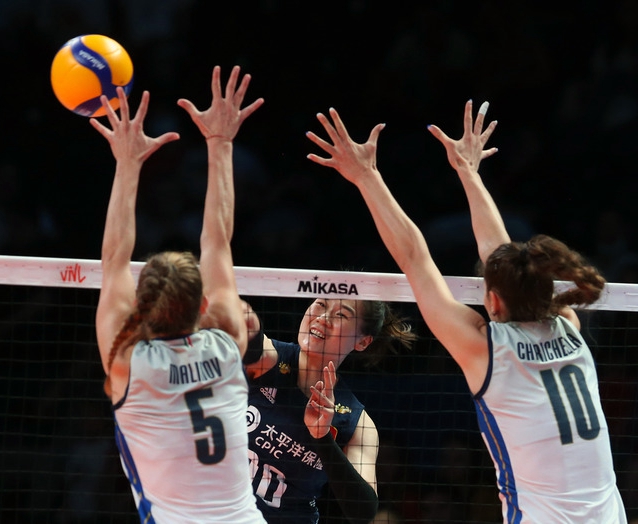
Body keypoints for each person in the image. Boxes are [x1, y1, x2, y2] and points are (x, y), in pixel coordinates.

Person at [306, 101, 627, 523]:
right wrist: (468, 171)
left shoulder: (487, 349)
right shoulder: (568, 325)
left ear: (493, 302)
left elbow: (415, 257)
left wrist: (367, 176)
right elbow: (505, 259)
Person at [93, 65, 266, 523]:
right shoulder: (228, 341)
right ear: (203, 306)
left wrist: (127, 163)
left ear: (141, 306)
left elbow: (114, 259)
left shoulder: (127, 361)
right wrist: (221, 143)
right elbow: (218, 241)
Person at [242, 296, 415, 524]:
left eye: (341, 314)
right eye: (321, 304)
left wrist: (322, 437)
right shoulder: (267, 359)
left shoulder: (357, 423)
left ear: (363, 342)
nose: (323, 318)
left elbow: (363, 512)